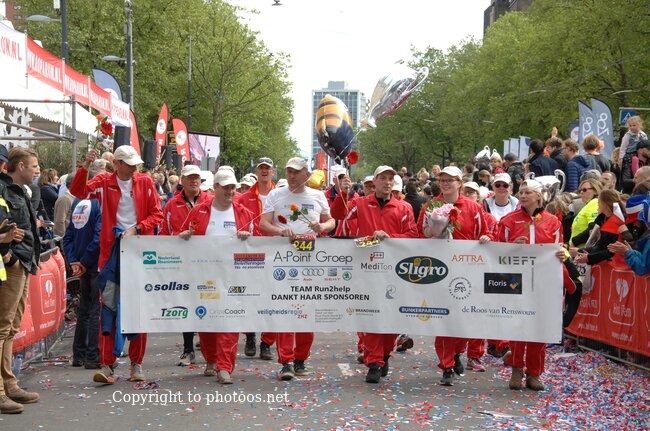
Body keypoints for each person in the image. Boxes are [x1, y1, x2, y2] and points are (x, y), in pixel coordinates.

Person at [70, 146, 163, 385]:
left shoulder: (145, 182)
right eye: (129, 164)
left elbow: (157, 215)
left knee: (138, 309)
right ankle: (107, 365)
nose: (134, 168)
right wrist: (85, 166)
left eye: (135, 164)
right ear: (117, 163)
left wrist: (137, 228)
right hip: (111, 255)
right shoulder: (103, 182)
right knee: (108, 308)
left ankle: (136, 363)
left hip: (139, 253)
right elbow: (78, 192)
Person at [259, 157, 335, 380]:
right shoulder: (276, 194)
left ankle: (301, 358)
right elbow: (263, 224)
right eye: (289, 171)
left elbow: (331, 222)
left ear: (306, 175)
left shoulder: (317, 196)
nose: (292, 176)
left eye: (296, 172)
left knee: (307, 312)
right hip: (283, 261)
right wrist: (281, 231)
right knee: (286, 310)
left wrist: (322, 226)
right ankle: (286, 361)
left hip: (311, 262)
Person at [340, 165, 417, 383]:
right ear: (374, 181)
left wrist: (389, 237)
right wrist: (341, 193)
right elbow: (340, 218)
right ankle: (374, 362)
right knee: (371, 315)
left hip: (394, 271)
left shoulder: (404, 208)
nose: (387, 182)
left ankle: (384, 354)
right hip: (367, 269)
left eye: (390, 179)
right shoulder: (360, 204)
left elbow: (413, 235)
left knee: (391, 317)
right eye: (383, 178)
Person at [179, 168, 255, 384]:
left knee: (230, 321)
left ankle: (225, 367)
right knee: (206, 321)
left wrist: (248, 238)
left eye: (233, 188)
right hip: (205, 277)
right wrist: (184, 236)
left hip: (234, 277)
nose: (230, 191)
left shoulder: (244, 213)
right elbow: (184, 236)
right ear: (215, 188)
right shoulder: (199, 211)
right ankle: (211, 359)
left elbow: (256, 244)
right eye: (226, 187)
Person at [418, 166, 490, 386]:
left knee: (463, 318)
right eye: (442, 180)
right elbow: (420, 233)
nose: (446, 183)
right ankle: (447, 365)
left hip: (467, 271)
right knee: (444, 319)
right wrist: (433, 230)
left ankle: (458, 352)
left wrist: (486, 238)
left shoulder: (473, 207)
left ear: (460, 182)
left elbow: (484, 232)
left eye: (450, 180)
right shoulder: (430, 206)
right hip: (440, 270)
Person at [497, 179, 564, 391]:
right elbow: (496, 252)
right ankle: (516, 368)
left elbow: (560, 247)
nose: (523, 195)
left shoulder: (553, 221)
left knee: (539, 327)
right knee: (519, 326)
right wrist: (510, 247)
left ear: (539, 196)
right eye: (521, 192)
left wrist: (563, 254)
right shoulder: (508, 220)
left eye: (528, 192)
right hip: (516, 281)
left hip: (543, 281)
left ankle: (534, 373)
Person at [0, 147, 41, 414]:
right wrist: (10, 257)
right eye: (34, 166)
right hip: (14, 264)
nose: (37, 170)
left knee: (11, 328)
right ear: (21, 166)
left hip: (22, 263)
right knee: (3, 328)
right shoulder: (5, 190)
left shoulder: (19, 191)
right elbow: (5, 231)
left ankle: (9, 384)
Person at [160, 164, 211, 366]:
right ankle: (188, 349)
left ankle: (210, 354)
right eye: (190, 177)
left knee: (208, 304)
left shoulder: (210, 201)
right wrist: (176, 238)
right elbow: (163, 234)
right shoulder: (172, 204)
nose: (194, 181)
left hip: (208, 262)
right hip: (182, 262)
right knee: (187, 305)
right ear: (182, 180)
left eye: (196, 177)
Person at [239, 157, 276, 359]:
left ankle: (267, 342)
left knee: (273, 298)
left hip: (275, 253)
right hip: (250, 253)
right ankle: (250, 335)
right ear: (256, 171)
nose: (264, 171)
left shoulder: (281, 195)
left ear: (273, 172)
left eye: (267, 168)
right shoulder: (244, 197)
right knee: (250, 296)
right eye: (261, 168)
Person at [63, 194, 102, 369]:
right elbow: (98, 237)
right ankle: (91, 356)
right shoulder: (98, 204)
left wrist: (75, 261)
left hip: (82, 264)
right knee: (94, 310)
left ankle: (79, 355)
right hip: (93, 265)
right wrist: (83, 263)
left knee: (85, 309)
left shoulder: (78, 204)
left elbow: (68, 237)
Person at [574, 189, 631, 266]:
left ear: (605, 204)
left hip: (618, 265)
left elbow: (610, 251)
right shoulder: (603, 219)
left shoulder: (617, 221)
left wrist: (588, 257)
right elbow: (601, 246)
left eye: (599, 202)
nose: (597, 205)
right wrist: (582, 251)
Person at [568, 178, 603, 252]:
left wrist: (575, 241)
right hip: (579, 250)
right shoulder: (588, 205)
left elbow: (594, 228)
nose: (581, 193)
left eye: (584, 190)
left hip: (583, 251)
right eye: (580, 191)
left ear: (595, 191)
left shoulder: (594, 203)